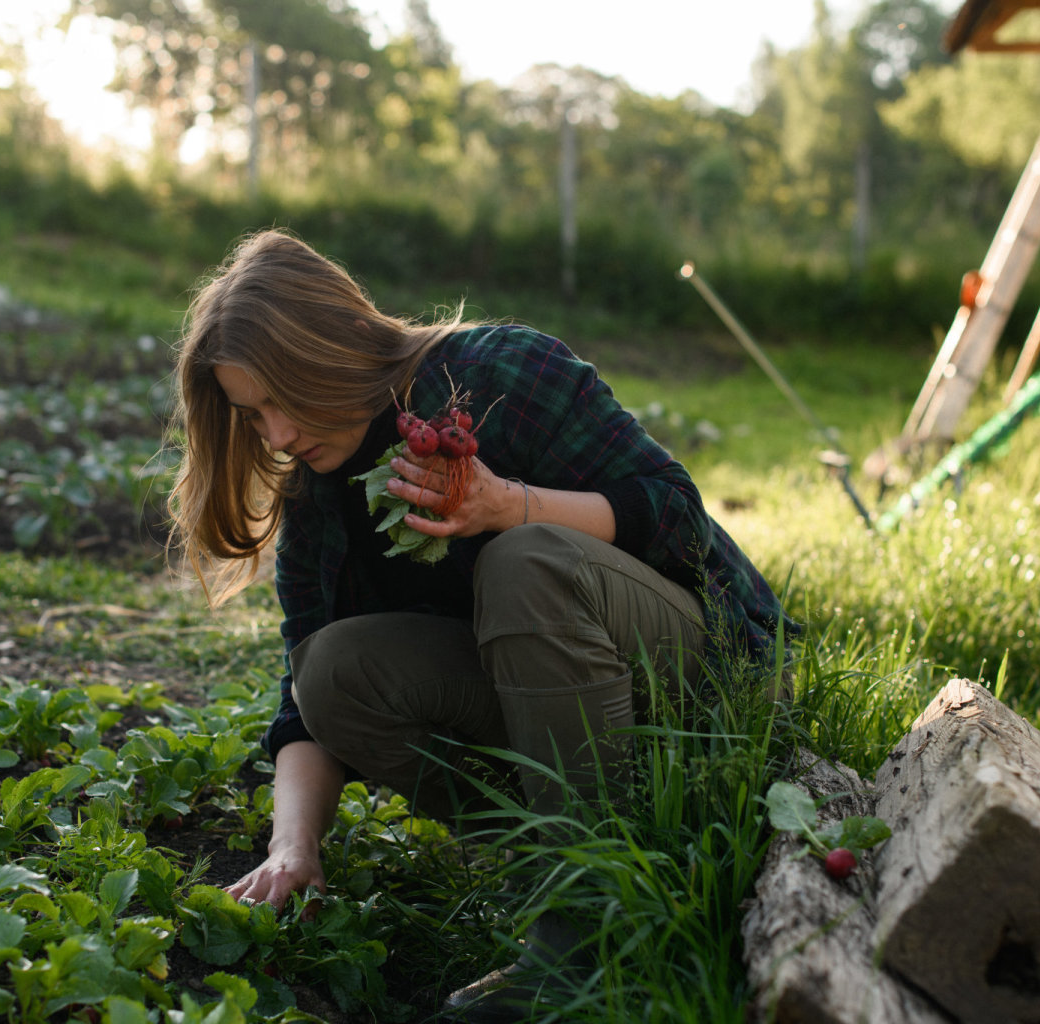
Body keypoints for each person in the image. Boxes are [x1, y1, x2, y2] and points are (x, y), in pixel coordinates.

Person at [168, 229, 795, 1019]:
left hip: (706, 677)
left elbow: (677, 516)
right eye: (254, 417)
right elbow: (305, 704)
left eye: (282, 400)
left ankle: (588, 940)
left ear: (330, 350)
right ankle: (561, 857)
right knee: (332, 672)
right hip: (569, 708)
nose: (279, 436)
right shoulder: (318, 498)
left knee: (524, 560)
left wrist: (506, 507)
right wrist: (293, 846)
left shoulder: (502, 371)